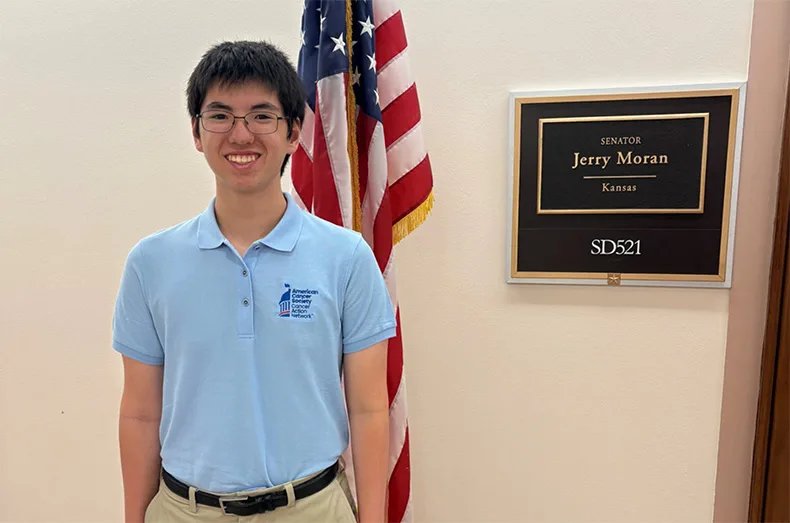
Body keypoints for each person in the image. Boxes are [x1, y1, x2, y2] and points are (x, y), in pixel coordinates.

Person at [113, 40, 396, 523]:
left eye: (262, 116)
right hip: (184, 511)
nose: (240, 134)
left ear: (293, 133)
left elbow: (369, 410)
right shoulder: (150, 262)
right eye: (220, 116)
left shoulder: (346, 257)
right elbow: (140, 413)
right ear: (197, 133)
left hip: (313, 509)